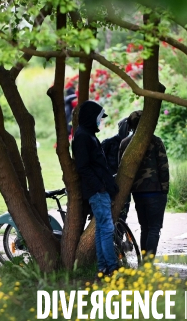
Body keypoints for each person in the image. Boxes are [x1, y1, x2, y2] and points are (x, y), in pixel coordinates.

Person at [72, 100, 119, 278]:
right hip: (97, 192)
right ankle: (112, 268)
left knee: (101, 229)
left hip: (100, 190)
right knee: (106, 229)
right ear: (92, 118)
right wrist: (99, 187)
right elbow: (83, 167)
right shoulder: (83, 136)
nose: (100, 122)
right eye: (99, 118)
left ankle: (103, 268)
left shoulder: (87, 134)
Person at [118, 110, 169, 258]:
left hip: (137, 192)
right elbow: (163, 167)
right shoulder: (156, 141)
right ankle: (148, 262)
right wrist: (165, 189)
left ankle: (144, 260)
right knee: (154, 228)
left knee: (145, 227)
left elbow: (121, 168)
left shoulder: (125, 143)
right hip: (156, 192)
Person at [102, 118, 131, 220]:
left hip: (123, 186)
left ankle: (119, 235)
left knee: (122, 217)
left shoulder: (131, 145)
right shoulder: (108, 143)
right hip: (108, 186)